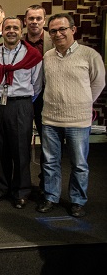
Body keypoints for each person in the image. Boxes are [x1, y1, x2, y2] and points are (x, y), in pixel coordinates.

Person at [36, 13, 105, 218]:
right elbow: (43, 84)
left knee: (79, 164)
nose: (58, 34)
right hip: (50, 119)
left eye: (62, 29)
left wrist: (82, 102)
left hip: (78, 120)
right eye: (53, 30)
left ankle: (77, 201)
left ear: (73, 30)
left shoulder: (89, 55)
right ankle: (51, 197)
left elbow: (98, 83)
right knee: (50, 162)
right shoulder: (47, 56)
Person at [0, 16, 43, 209]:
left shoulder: (32, 55)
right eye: (7, 27)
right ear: (2, 30)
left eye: (15, 28)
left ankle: (21, 191)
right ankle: (2, 187)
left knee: (20, 149)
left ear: (22, 30)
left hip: (20, 105)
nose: (11, 31)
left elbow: (36, 84)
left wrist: (21, 100)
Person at [23, 4, 52, 191]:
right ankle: (22, 184)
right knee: (21, 143)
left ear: (44, 20)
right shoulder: (17, 41)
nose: (34, 22)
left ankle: (46, 185)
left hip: (48, 99)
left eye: (38, 18)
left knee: (48, 145)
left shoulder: (54, 40)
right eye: (31, 18)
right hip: (23, 98)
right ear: (25, 21)